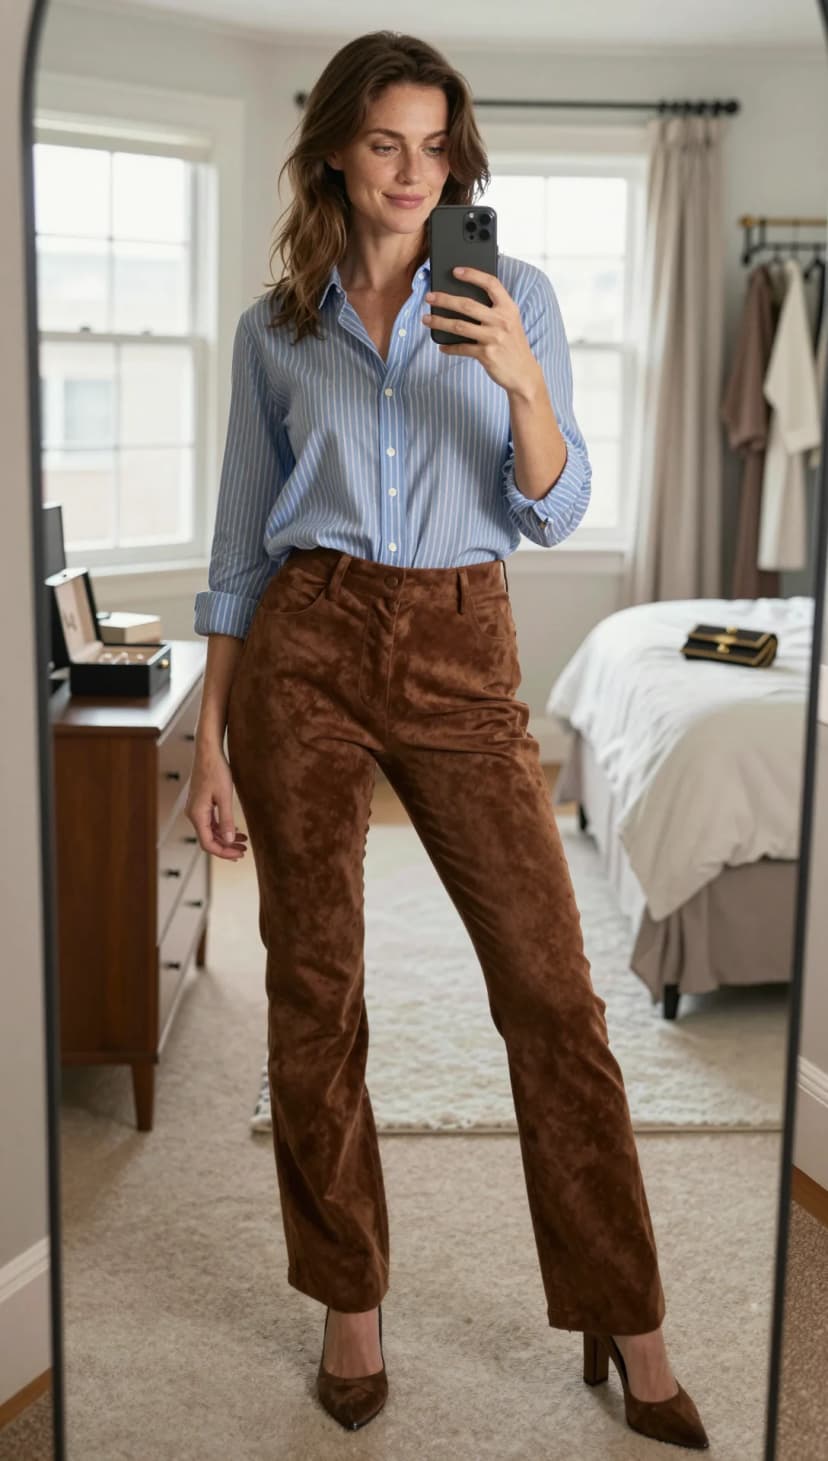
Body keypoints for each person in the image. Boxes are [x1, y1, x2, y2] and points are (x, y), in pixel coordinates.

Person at [185, 29, 709, 1451]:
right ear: (338, 154)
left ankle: (629, 1311)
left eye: (435, 146)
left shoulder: (510, 291)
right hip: (307, 643)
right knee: (316, 985)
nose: (415, 173)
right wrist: (213, 741)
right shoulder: (275, 326)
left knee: (551, 991)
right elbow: (240, 544)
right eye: (383, 144)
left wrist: (522, 377)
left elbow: (555, 502)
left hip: (465, 644)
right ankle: (350, 1304)